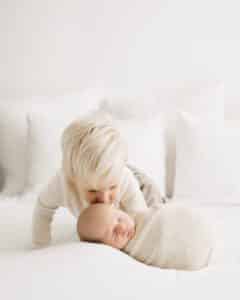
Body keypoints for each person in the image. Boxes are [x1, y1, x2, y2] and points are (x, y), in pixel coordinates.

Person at [32, 112, 163, 248]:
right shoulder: (62, 184)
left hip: (141, 186)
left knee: (156, 215)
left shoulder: (124, 178)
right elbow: (43, 208)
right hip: (113, 178)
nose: (104, 199)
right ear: (73, 178)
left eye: (112, 187)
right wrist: (40, 245)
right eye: (93, 190)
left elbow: (141, 218)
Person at [77, 203, 214, 271]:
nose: (122, 228)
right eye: (113, 232)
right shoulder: (130, 254)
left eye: (119, 219)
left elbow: (160, 211)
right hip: (187, 253)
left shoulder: (140, 215)